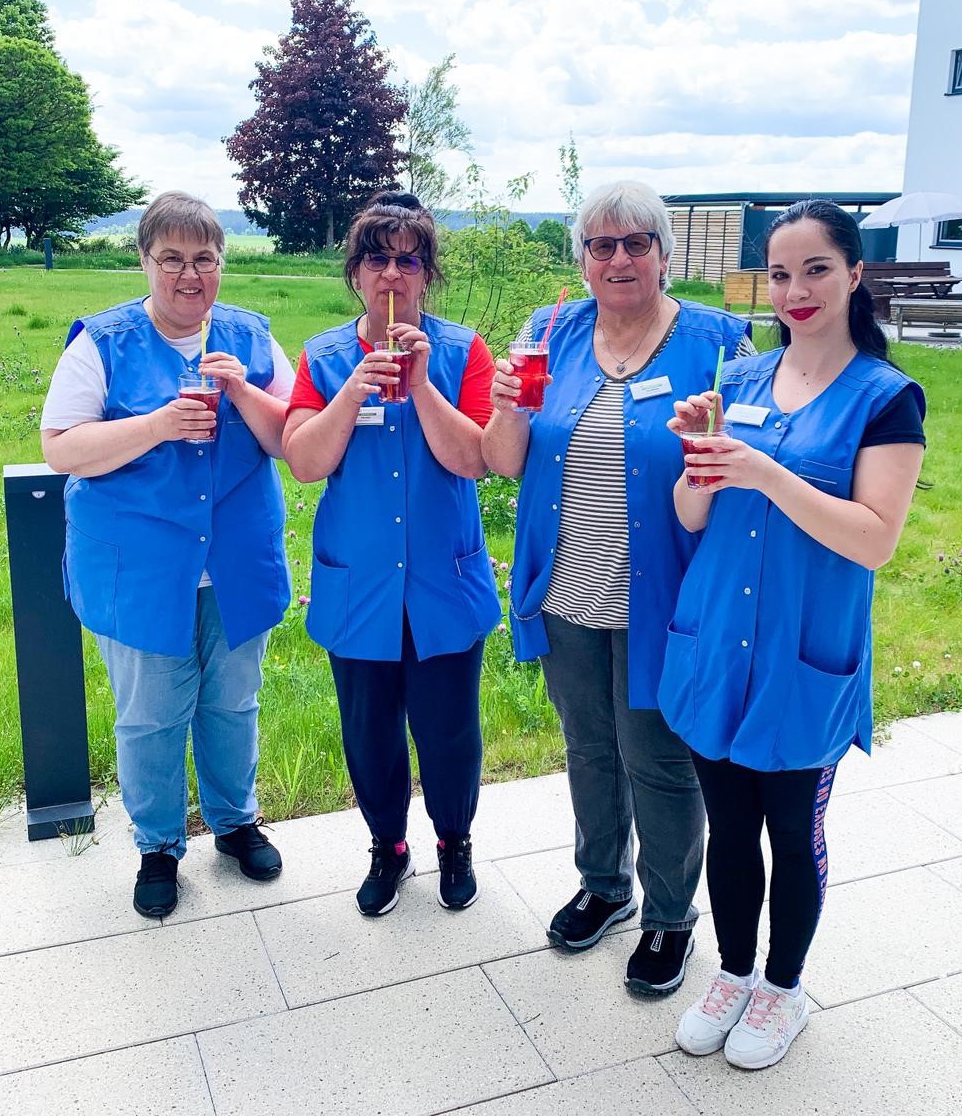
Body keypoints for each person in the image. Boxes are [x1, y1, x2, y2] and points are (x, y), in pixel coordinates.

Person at [662, 199, 926, 1069]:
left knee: (790, 830)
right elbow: (691, 513)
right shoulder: (738, 381)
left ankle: (783, 988)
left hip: (802, 652)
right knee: (728, 829)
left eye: (816, 269)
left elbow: (873, 537)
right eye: (780, 273)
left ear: (855, 273)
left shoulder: (886, 400)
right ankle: (732, 972)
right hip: (716, 640)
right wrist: (699, 461)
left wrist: (766, 472)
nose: (796, 290)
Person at [482, 180, 752, 996]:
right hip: (566, 588)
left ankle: (670, 919)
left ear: (665, 254)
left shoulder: (716, 341)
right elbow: (506, 459)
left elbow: (738, 469)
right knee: (589, 750)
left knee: (659, 761)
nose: (619, 258)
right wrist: (503, 405)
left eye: (637, 242)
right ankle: (604, 886)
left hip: (664, 598)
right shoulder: (552, 330)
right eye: (601, 245)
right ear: (583, 261)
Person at [39, 191, 295, 919]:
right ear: (145, 260)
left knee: (232, 702)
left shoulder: (251, 337)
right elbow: (61, 447)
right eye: (172, 259)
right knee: (150, 714)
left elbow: (289, 438)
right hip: (141, 568)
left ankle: (236, 822)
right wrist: (154, 425)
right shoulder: (103, 342)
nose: (190, 275)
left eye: (205, 260)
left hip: (237, 563)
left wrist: (244, 391)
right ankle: (157, 844)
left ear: (222, 264)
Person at [282, 191, 501, 917]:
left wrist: (425, 382)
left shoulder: (464, 351)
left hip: (444, 581)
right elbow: (305, 462)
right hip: (359, 586)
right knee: (370, 735)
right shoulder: (322, 356)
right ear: (355, 272)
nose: (392, 276)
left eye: (408, 261)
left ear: (427, 274)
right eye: (377, 259)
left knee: (449, 733)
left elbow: (475, 460)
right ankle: (388, 846)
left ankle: (454, 842)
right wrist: (352, 390)